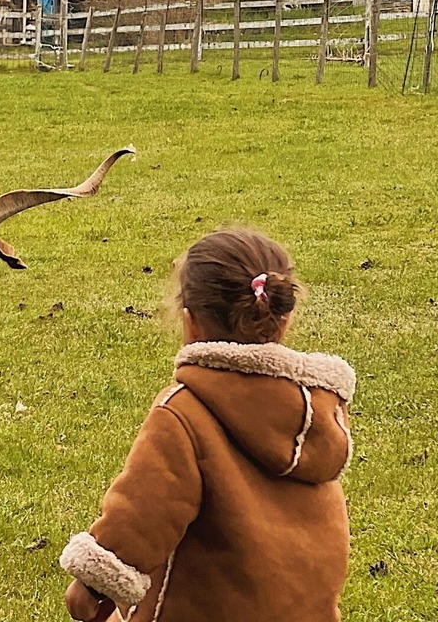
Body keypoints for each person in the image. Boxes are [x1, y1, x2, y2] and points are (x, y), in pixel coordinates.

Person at [59, 228, 356, 622]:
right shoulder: (316, 413)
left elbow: (144, 513)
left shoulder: (184, 413)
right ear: (283, 320)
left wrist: (94, 584)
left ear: (190, 323)